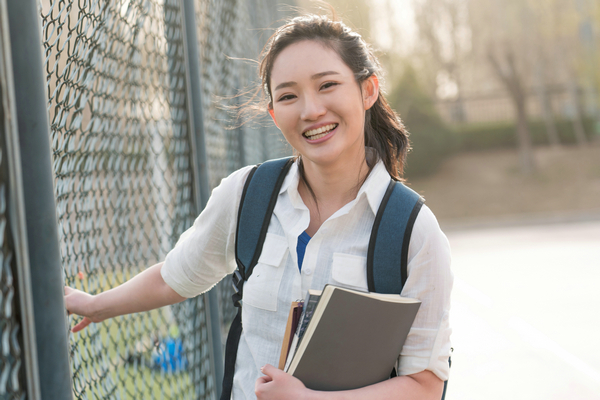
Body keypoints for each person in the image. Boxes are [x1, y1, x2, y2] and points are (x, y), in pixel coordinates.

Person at [65, 12, 452, 400]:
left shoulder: (412, 230)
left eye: (327, 85)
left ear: (368, 90)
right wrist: (96, 305)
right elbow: (175, 276)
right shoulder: (247, 195)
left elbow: (425, 386)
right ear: (273, 114)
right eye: (288, 96)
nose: (311, 110)